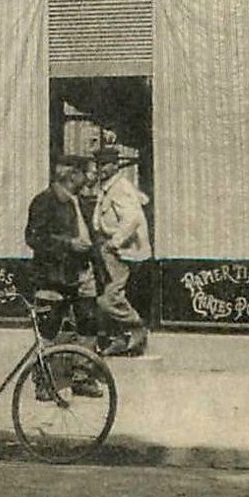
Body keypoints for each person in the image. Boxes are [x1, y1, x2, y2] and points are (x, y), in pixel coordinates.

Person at [24, 154, 103, 397]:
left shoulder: (81, 201)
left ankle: (82, 376)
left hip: (83, 274)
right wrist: (69, 244)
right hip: (54, 277)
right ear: (73, 175)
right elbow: (34, 238)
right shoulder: (45, 201)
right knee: (48, 330)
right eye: (87, 173)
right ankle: (43, 383)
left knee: (88, 324)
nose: (91, 178)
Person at [92, 147, 152, 357]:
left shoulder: (120, 188)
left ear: (115, 165)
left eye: (105, 165)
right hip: (110, 249)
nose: (100, 169)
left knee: (109, 298)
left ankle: (137, 329)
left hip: (121, 252)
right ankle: (121, 338)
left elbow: (132, 219)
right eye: (98, 165)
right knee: (109, 296)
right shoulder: (109, 187)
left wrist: (115, 242)